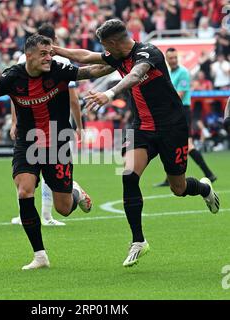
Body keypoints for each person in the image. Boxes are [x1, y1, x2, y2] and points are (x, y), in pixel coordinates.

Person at [53, 19, 220, 267]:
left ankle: (204, 188)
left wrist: (109, 94)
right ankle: (138, 241)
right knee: (129, 175)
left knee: (178, 187)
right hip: (141, 128)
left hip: (172, 128)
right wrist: (58, 51)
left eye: (105, 46)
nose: (105, 51)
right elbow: (87, 57)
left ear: (113, 43)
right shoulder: (117, 56)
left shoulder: (148, 52)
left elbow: (135, 75)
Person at [0, 34, 114, 270]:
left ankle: (74, 191)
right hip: (27, 143)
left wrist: (117, 61)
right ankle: (40, 255)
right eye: (43, 54)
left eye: (50, 53)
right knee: (24, 192)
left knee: (63, 209)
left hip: (57, 144)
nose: (48, 57)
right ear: (28, 54)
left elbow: (91, 71)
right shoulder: (11, 77)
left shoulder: (58, 70)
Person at [10, 23, 83, 227]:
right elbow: (73, 99)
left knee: (50, 174)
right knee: (27, 179)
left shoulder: (55, 61)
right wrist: (79, 125)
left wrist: (14, 121)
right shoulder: (55, 58)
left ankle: (51, 211)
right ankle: (44, 215)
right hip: (35, 127)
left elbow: (12, 96)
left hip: (52, 129)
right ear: (55, 41)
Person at [154, 48, 217, 187]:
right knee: (169, 144)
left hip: (182, 111)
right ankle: (170, 178)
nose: (174, 60)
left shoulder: (183, 72)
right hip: (173, 112)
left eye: (175, 57)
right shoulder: (169, 72)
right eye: (171, 58)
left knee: (187, 145)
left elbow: (179, 95)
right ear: (167, 59)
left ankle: (209, 173)